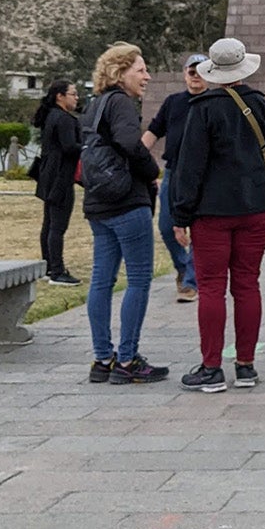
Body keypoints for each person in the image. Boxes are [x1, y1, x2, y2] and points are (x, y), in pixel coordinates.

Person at [169, 38, 265, 394]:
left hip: (211, 212)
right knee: (248, 284)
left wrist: (180, 214)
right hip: (256, 208)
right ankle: (246, 365)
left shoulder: (202, 109)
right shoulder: (260, 107)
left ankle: (211, 367)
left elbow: (190, 169)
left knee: (211, 287)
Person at [82, 42, 168, 385]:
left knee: (101, 280)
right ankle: (128, 359)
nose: (146, 76)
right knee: (138, 279)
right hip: (126, 202)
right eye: (140, 69)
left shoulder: (94, 105)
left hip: (98, 203)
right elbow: (132, 144)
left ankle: (103, 358)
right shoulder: (120, 103)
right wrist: (152, 172)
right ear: (121, 72)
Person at [142, 53, 206, 303]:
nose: (196, 76)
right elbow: (153, 132)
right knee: (167, 227)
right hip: (174, 172)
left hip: (204, 174)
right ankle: (183, 267)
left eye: (202, 72)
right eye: (192, 72)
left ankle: (191, 281)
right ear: (185, 74)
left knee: (200, 230)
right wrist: (131, 157)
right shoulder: (173, 102)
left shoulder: (214, 102)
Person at [31, 78, 81, 286]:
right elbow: (70, 147)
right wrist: (87, 147)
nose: (77, 98)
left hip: (47, 175)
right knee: (57, 226)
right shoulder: (64, 119)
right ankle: (57, 271)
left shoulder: (50, 116)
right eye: (73, 94)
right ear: (60, 96)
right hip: (61, 177)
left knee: (49, 223)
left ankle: (48, 265)